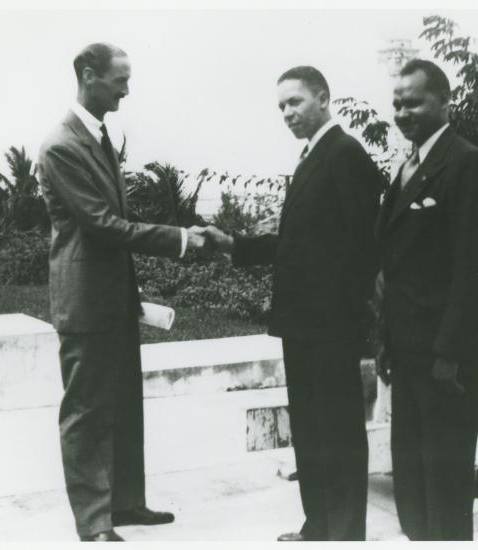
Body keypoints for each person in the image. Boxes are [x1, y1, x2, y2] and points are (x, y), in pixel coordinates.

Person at [37, 42, 209, 542]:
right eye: (120, 80)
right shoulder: (62, 145)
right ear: (90, 76)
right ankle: (94, 524)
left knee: (125, 403)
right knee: (87, 410)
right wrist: (180, 239)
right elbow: (104, 225)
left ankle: (126, 504)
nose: (127, 89)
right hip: (85, 302)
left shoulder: (99, 136)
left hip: (113, 299)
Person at [204, 66, 383, 541]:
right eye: (281, 106)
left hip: (330, 325)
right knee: (310, 428)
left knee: (338, 431)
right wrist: (234, 244)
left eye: (295, 102)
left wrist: (347, 314)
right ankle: (318, 525)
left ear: (323, 99)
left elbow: (364, 245)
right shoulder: (313, 157)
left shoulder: (344, 154)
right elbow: (297, 244)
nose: (287, 113)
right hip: (304, 325)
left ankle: (343, 533)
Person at [375, 58, 478, 541]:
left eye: (414, 101)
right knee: (410, 477)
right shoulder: (407, 167)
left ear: (445, 102)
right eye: (397, 103)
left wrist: (449, 354)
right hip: (406, 351)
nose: (403, 111)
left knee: (446, 485)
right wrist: (386, 343)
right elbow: (394, 266)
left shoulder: (466, 162)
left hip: (444, 358)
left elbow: (473, 269)